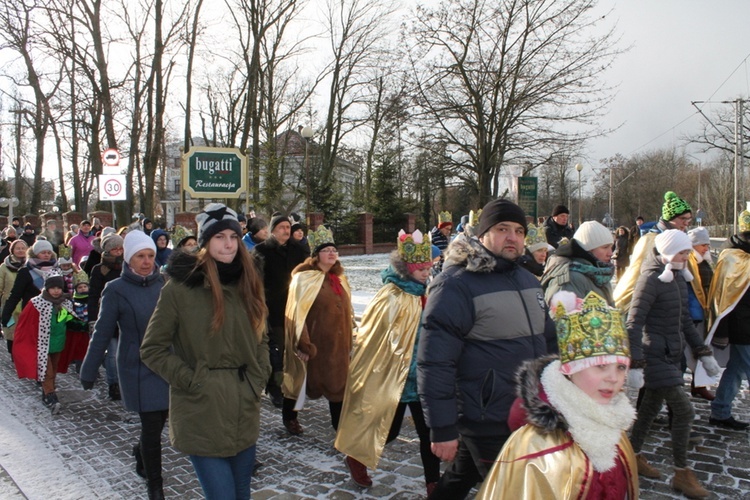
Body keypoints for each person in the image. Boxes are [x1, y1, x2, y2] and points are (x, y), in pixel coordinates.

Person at [417, 198, 556, 499]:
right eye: (502, 228)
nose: (513, 237)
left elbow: (548, 342)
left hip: (526, 409)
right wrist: (442, 428)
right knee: (511, 490)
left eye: (519, 231)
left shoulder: (528, 280)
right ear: (482, 235)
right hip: (485, 416)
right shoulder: (456, 284)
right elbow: (435, 361)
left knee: (460, 476)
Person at [141, 203, 270, 500]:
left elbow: (262, 335)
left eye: (233, 237)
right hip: (201, 409)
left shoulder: (250, 281)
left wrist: (258, 376)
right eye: (219, 237)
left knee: (242, 493)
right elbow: (153, 348)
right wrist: (192, 380)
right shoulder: (180, 288)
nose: (228, 244)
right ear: (204, 242)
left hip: (243, 404)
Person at [476, 291, 638, 499]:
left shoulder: (613, 424)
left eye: (621, 368)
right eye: (600, 367)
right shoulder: (537, 446)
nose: (613, 378)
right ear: (570, 369)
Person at [335, 230, 440, 495]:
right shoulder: (390, 296)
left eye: (429, 268)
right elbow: (374, 338)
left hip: (424, 377)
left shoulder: (427, 293)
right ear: (408, 269)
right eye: (422, 269)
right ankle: (356, 457)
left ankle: (433, 482)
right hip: (396, 377)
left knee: (429, 434)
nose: (427, 273)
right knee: (388, 430)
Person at [626, 229, 720, 499]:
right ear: (667, 253)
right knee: (685, 411)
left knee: (648, 410)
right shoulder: (651, 279)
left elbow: (685, 323)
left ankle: (633, 454)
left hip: (672, 354)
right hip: (654, 355)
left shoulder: (678, 277)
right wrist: (636, 363)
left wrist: (703, 351)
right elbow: (634, 323)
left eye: (688, 251)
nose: (687, 255)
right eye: (682, 252)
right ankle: (682, 473)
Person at [81, 230, 168, 500]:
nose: (146, 261)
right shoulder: (115, 289)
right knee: (152, 428)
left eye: (150, 256)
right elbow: (103, 331)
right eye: (140, 256)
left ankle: (140, 452)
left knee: (160, 420)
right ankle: (155, 485)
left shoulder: (165, 284)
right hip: (136, 366)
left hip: (166, 364)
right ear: (129, 259)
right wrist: (89, 367)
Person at [282, 226, 352, 438]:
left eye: (334, 249)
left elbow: (347, 313)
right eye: (326, 249)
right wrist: (303, 344)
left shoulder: (339, 279)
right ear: (316, 255)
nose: (332, 253)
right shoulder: (304, 279)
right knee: (299, 382)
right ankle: (289, 417)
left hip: (337, 347)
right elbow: (297, 313)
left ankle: (341, 432)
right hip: (315, 345)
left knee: (338, 389)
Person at [702, 210, 750, 430]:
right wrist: (722, 330)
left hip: (743, 324)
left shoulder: (734, 252)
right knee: (741, 368)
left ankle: (720, 411)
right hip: (743, 326)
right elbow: (723, 296)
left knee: (737, 369)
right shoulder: (733, 256)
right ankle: (720, 411)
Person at [253, 213, 307, 407]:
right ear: (273, 230)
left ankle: (292, 385)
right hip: (272, 309)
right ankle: (274, 387)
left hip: (295, 309)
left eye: (288, 227)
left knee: (293, 349)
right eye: (282, 227)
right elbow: (255, 282)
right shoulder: (261, 251)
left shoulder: (298, 250)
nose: (286, 230)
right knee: (276, 350)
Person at [615, 191, 693, 313]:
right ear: (670, 218)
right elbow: (637, 274)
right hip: (651, 306)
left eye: (689, 219)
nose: (686, 223)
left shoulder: (681, 238)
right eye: (683, 218)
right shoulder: (651, 240)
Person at [13, 270, 76, 415]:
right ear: (47, 288)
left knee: (53, 370)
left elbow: (67, 322)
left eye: (59, 288)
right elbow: (26, 324)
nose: (56, 291)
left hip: (58, 342)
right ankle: (51, 396)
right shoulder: (37, 303)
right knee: (46, 371)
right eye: (53, 288)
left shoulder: (65, 303)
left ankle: (47, 392)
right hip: (41, 344)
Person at [87, 232, 125, 401]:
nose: (118, 251)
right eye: (115, 248)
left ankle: (125, 381)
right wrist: (93, 319)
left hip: (126, 315)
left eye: (120, 248)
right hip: (108, 315)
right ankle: (114, 384)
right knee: (112, 353)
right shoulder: (99, 269)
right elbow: (93, 295)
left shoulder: (129, 265)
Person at [541, 221, 615, 306]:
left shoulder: (599, 274)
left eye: (611, 247)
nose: (610, 253)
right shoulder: (570, 279)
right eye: (605, 247)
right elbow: (561, 317)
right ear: (588, 249)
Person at [685, 226, 715, 401]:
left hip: (702, 312)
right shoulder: (688, 261)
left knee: (701, 351)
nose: (706, 248)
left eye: (707, 245)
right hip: (691, 314)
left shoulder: (704, 262)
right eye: (703, 244)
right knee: (686, 354)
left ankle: (699, 385)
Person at [1, 239, 57, 328]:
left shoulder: (56, 270)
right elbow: (15, 295)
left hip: (53, 313)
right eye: (43, 252)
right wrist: (6, 314)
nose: (46, 255)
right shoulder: (25, 271)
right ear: (35, 254)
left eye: (49, 252)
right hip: (31, 312)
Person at [0, 239, 27, 357]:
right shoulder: (4, 267)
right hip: (9, 304)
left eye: (23, 248)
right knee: (11, 330)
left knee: (25, 330)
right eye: (18, 248)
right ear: (12, 250)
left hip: (26, 304)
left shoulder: (30, 266)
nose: (20, 250)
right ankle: (13, 353)